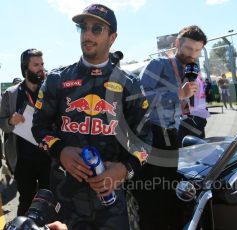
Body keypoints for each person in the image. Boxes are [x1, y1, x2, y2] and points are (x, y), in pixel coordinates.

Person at [31, 4, 150, 229]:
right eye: (83, 28)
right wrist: (60, 150)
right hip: (64, 199)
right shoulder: (57, 80)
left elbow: (145, 142)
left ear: (112, 38)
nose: (87, 34)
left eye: (96, 29)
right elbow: (39, 127)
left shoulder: (130, 85)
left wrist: (125, 169)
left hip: (111, 201)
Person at [137, 25, 205, 229]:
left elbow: (188, 100)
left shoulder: (192, 68)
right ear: (177, 44)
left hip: (173, 132)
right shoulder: (158, 64)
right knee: (152, 194)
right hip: (150, 134)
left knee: (171, 189)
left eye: (197, 50)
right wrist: (178, 94)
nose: (192, 54)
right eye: (188, 49)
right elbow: (141, 98)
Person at [0, 49, 51, 216]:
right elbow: (2, 123)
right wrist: (10, 121)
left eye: (42, 64)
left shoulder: (50, 90)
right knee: (26, 200)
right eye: (36, 65)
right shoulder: (12, 94)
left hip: (47, 157)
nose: (41, 68)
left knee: (48, 201)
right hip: (23, 160)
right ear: (25, 69)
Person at [178, 73, 210, 144]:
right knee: (199, 144)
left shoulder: (190, 87)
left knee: (194, 146)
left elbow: (183, 108)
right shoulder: (197, 84)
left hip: (192, 121)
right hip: (197, 120)